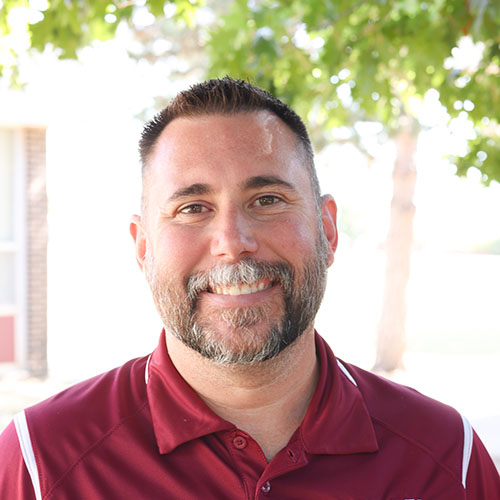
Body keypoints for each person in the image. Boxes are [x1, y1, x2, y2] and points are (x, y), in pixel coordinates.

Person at [0, 77, 499, 500]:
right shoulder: (41, 466)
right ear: (144, 247)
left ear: (327, 229)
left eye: (267, 199)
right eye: (193, 208)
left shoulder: (445, 460)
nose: (233, 244)